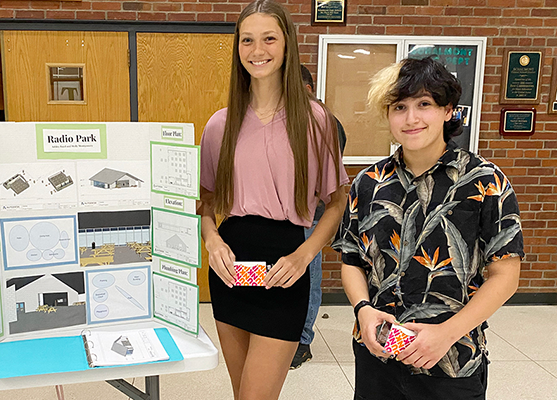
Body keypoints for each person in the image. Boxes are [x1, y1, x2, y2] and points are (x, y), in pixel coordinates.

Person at [333, 57, 523, 399]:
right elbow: (351, 262)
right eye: (399, 107)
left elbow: (506, 274)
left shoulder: (484, 182)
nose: (411, 118)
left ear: (448, 110)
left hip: (451, 360)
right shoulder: (369, 183)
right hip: (378, 358)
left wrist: (447, 334)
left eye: (424, 104)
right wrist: (362, 310)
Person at [198, 1, 349, 398]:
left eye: (269, 38)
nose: (257, 49)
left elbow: (336, 201)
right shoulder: (219, 124)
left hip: (284, 267)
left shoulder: (315, 121)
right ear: (237, 48)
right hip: (230, 271)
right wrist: (211, 240)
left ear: (287, 45)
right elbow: (206, 200)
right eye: (247, 40)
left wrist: (305, 256)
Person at [290, 64, 348, 369]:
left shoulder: (324, 121)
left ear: (308, 89)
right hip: (286, 217)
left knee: (308, 278)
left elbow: (326, 176)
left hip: (312, 216)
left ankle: (303, 341)